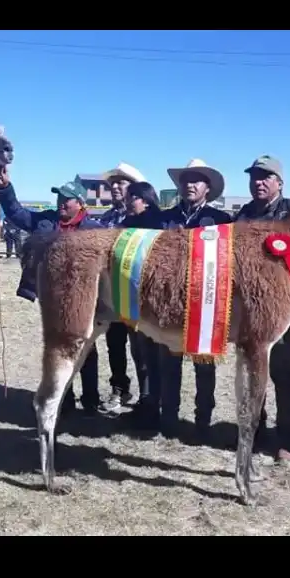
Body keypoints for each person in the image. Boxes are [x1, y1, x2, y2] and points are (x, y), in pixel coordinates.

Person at [232, 154, 290, 464]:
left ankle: (287, 437)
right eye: (254, 176)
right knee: (250, 368)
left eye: (265, 177)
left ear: (279, 183)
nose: (258, 182)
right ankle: (255, 430)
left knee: (283, 370)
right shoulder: (243, 216)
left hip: (280, 308)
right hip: (246, 308)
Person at [0, 178, 105, 416]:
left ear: (80, 203)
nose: (61, 203)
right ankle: (63, 399)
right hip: (52, 298)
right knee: (59, 348)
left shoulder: (95, 230)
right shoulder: (45, 220)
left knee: (86, 348)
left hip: (85, 300)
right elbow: (15, 212)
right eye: (59, 198)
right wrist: (5, 188)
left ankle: (90, 399)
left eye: (66, 200)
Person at [152, 158, 232, 440]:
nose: (190, 185)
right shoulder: (164, 219)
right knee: (168, 362)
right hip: (169, 300)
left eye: (196, 180)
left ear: (207, 188)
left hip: (206, 300)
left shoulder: (222, 221)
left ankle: (203, 420)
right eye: (186, 180)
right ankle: (169, 417)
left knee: (204, 364)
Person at [97, 163, 148, 413]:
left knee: (142, 347)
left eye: (122, 183)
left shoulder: (144, 219)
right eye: (113, 183)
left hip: (137, 293)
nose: (116, 187)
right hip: (111, 293)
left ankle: (147, 397)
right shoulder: (105, 219)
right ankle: (119, 388)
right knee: (114, 344)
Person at [119, 180, 165, 432]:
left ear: (145, 200)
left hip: (153, 301)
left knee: (153, 355)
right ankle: (146, 400)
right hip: (131, 297)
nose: (128, 202)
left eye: (132, 198)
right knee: (139, 353)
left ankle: (155, 405)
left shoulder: (157, 224)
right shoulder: (126, 224)